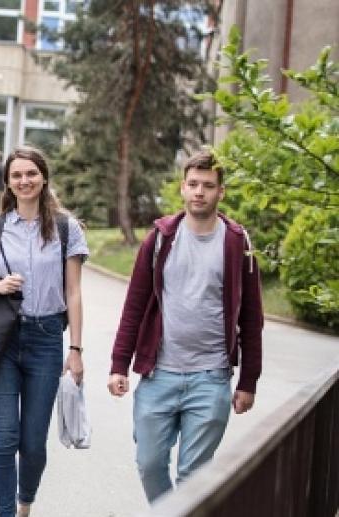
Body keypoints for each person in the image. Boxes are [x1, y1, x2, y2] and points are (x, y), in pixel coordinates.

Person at [107, 150, 263, 503]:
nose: (199, 192)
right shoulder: (160, 238)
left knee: (193, 478)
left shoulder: (238, 243)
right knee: (149, 464)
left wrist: (248, 380)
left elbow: (251, 318)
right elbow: (134, 306)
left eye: (208, 186)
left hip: (211, 377)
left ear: (221, 192)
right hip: (159, 373)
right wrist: (119, 364)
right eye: (193, 184)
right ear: (182, 188)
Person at [0, 145, 87, 517]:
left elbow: (74, 292)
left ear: (43, 177)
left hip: (47, 338)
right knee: (5, 439)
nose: (24, 181)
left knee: (33, 443)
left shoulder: (67, 228)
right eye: (16, 175)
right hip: (4, 339)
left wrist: (76, 350)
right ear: (8, 183)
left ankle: (24, 504)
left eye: (31, 173)